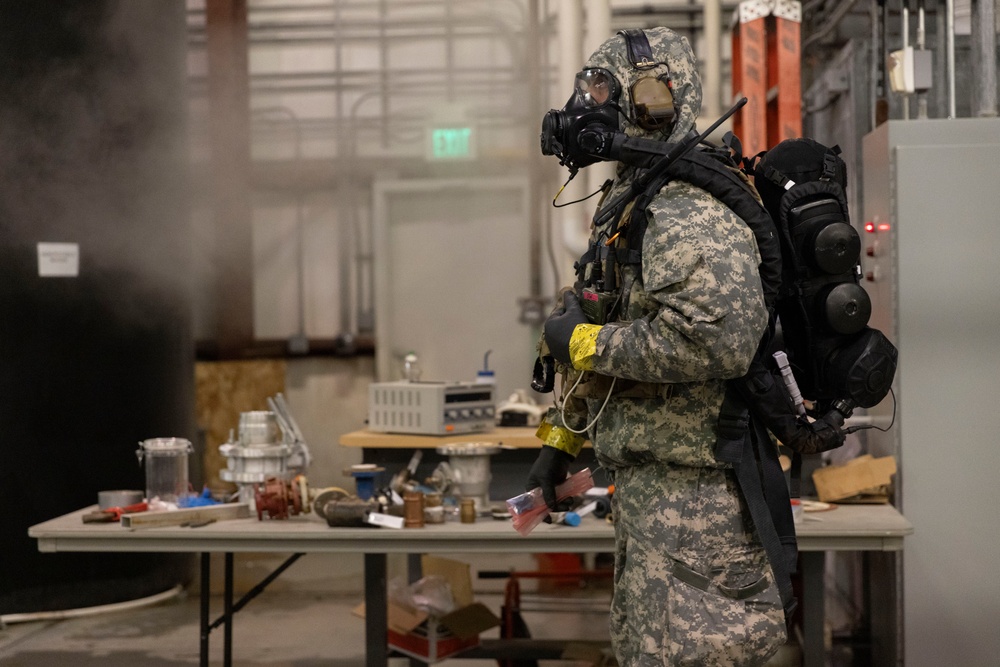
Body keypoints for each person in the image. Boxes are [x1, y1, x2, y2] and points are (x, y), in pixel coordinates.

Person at [526, 27, 787, 666]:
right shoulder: (636, 200)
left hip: (696, 509)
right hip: (653, 498)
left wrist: (582, 342)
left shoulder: (688, 206)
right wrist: (560, 446)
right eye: (586, 86)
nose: (586, 103)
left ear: (653, 99)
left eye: (602, 88)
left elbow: (711, 341)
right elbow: (615, 332)